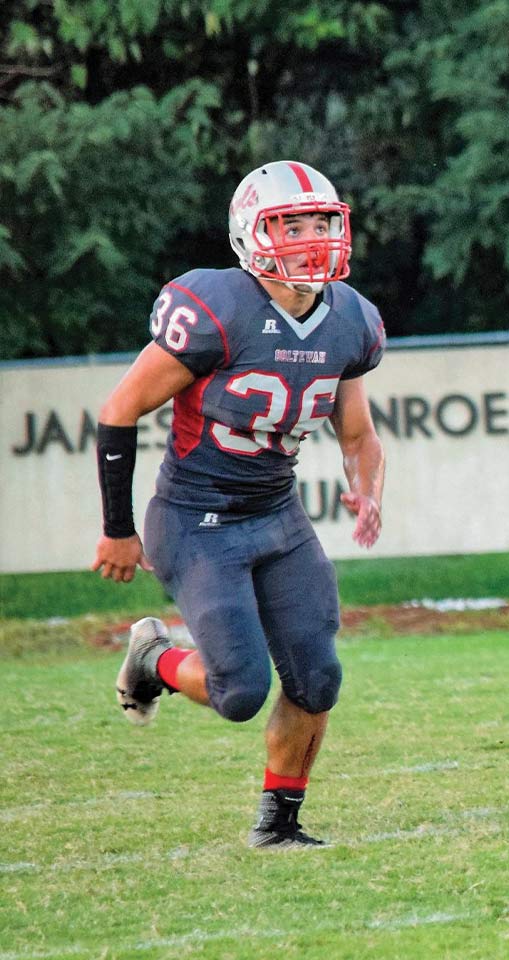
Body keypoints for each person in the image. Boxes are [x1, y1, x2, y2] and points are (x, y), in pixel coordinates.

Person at [92, 160, 387, 846]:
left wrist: (368, 489)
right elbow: (120, 409)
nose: (311, 237)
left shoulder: (349, 321)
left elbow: (359, 434)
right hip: (195, 521)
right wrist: (117, 527)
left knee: (317, 678)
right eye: (293, 224)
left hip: (278, 518)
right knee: (239, 693)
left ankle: (279, 824)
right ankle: (155, 659)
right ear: (251, 233)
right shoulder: (220, 308)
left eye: (321, 222)